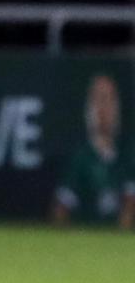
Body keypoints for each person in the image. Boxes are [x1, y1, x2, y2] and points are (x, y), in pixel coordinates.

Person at [52, 73, 135, 228]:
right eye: (99, 100)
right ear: (88, 107)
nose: (104, 108)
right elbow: (61, 210)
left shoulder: (127, 155)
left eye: (110, 100)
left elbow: (130, 205)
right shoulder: (80, 158)